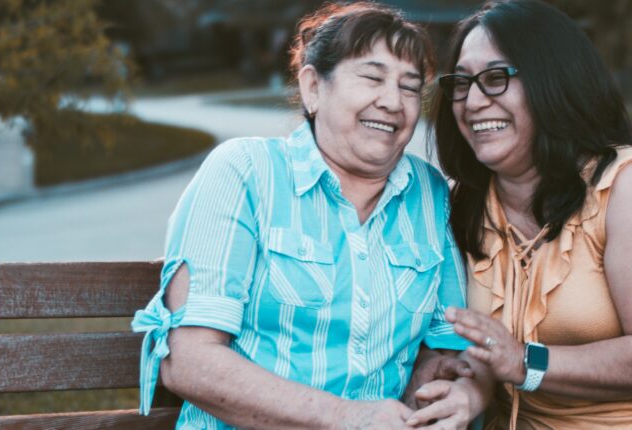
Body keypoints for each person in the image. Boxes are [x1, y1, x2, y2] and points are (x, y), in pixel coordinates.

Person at [130, 3, 483, 428]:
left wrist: (442, 384)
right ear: (314, 87)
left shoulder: (428, 193)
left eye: (410, 87)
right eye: (372, 77)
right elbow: (190, 361)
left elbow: (444, 345)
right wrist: (348, 418)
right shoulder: (245, 172)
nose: (393, 102)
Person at [427, 1, 632, 428]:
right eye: (461, 82)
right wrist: (464, 384)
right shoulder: (462, 204)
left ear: (554, 83)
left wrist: (525, 362)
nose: (472, 102)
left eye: (495, 78)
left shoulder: (631, 186)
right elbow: (453, 343)